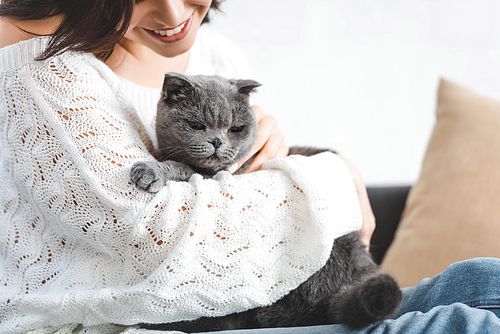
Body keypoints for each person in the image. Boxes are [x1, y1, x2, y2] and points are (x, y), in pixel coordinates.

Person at [0, 1, 498, 334]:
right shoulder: (40, 69)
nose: (174, 13)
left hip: (260, 295)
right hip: (137, 323)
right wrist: (336, 178)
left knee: (484, 281)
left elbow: (262, 192)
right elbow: (154, 235)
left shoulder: (215, 54)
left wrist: (298, 169)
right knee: (465, 324)